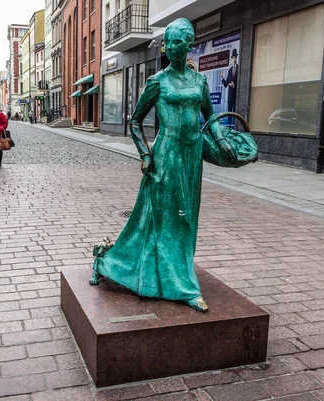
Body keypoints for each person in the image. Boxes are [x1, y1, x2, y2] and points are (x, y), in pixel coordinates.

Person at [90, 18, 256, 313]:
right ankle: (183, 286)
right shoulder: (158, 82)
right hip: (165, 158)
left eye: (178, 42)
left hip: (192, 158)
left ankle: (157, 270)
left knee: (186, 219)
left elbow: (209, 116)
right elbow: (135, 121)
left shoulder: (200, 81)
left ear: (189, 45)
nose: (171, 47)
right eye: (168, 42)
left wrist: (221, 137)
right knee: (168, 220)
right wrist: (145, 154)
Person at [220, 48, 238, 126]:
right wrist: (222, 78)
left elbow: (240, 80)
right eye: (233, 58)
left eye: (235, 57)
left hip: (236, 95)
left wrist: (234, 85)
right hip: (230, 95)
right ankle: (229, 126)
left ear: (236, 58)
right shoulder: (230, 70)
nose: (233, 59)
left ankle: (234, 126)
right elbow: (226, 84)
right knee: (229, 112)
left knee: (235, 113)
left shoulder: (239, 67)